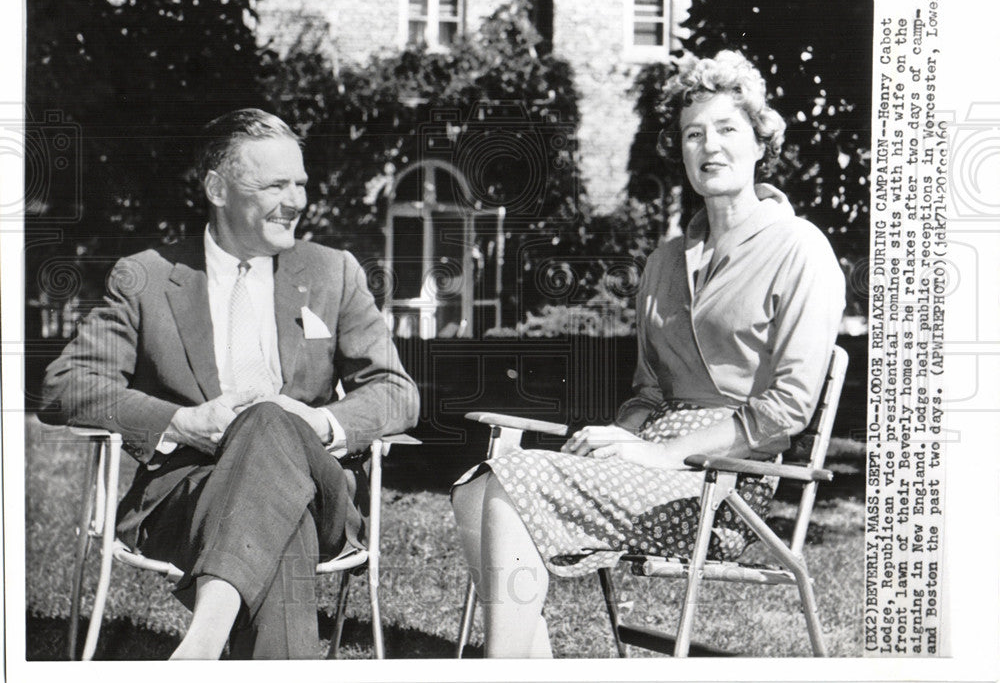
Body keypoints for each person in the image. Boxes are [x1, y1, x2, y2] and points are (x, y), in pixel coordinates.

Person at [451, 50, 846, 658]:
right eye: (693, 134)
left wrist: (662, 453)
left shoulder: (799, 248)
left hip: (730, 482)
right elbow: (648, 392)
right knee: (473, 490)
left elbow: (786, 408)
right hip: (651, 461)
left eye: (727, 129)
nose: (709, 147)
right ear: (680, 149)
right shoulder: (667, 259)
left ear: (761, 141)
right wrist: (615, 438)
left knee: (510, 481)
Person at [41, 109, 420, 659]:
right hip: (187, 495)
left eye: (301, 184)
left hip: (319, 490)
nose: (297, 201)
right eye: (274, 185)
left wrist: (317, 421)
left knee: (269, 420)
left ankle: (203, 643)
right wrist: (180, 422)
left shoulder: (332, 271)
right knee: (283, 530)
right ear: (217, 188)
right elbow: (65, 384)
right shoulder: (146, 277)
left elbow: (396, 389)